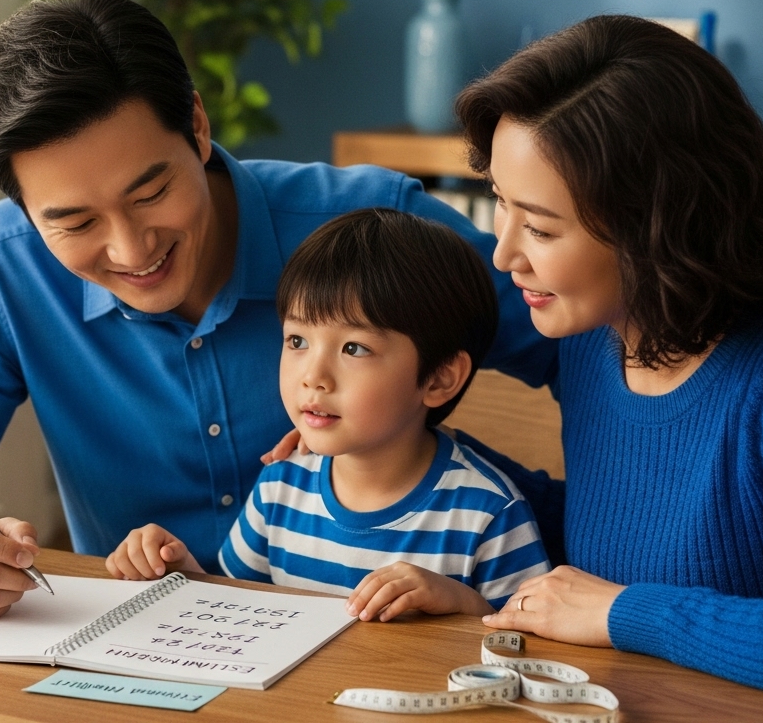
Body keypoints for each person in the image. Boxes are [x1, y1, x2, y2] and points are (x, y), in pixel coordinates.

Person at [0, 0, 556, 622]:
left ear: (198, 126)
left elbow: (597, 358)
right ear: (23, 210)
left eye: (150, 192)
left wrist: (471, 489)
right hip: (143, 659)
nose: (130, 250)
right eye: (74, 222)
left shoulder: (375, 228)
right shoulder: (2, 266)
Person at [448, 15, 763, 713]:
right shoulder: (586, 339)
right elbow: (617, 525)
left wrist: (620, 614)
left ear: (655, 225)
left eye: (541, 227)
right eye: (502, 210)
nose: (505, 254)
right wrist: (398, 457)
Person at [105, 209, 551, 619]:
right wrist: (178, 571)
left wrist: (461, 605)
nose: (313, 376)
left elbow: (529, 648)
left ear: (438, 379)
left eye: (354, 348)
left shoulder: (489, 514)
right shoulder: (281, 485)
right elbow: (237, 608)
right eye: (297, 341)